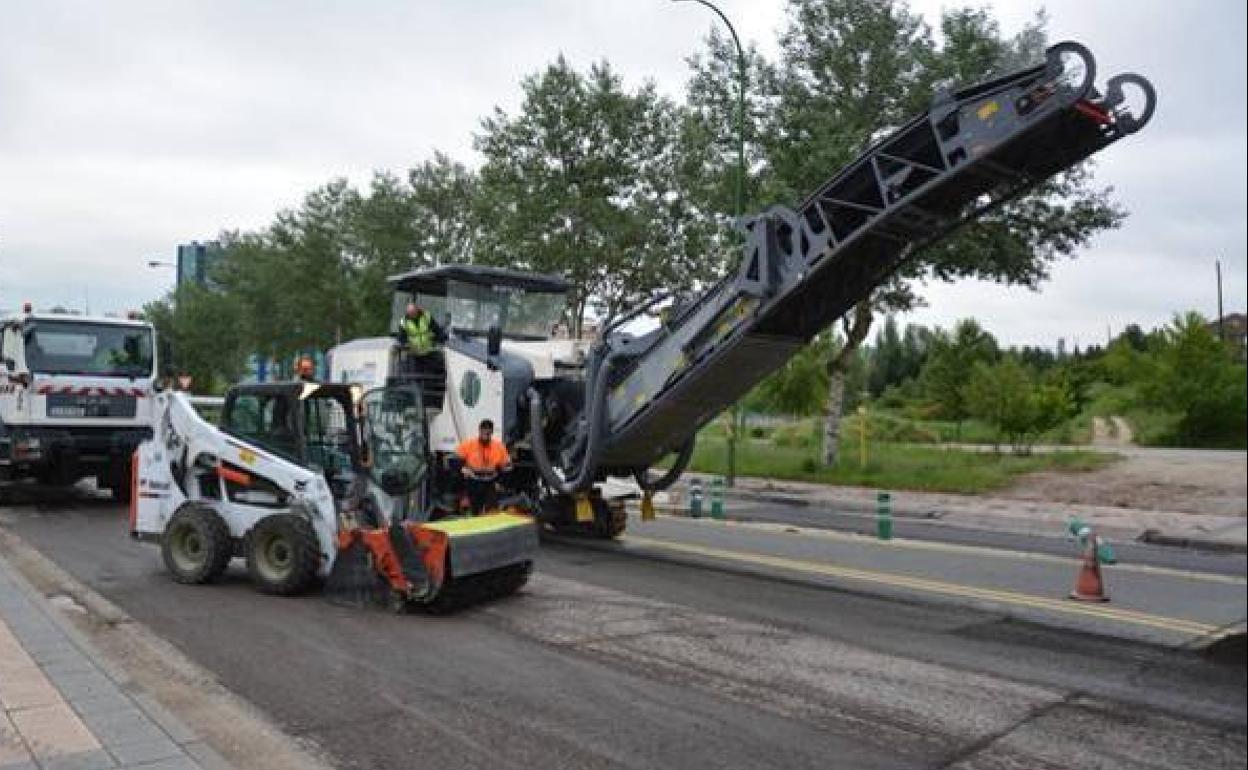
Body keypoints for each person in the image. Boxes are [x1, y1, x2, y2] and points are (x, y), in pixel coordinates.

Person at [455, 419, 512, 513]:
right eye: (483, 432)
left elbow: (507, 467)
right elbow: (455, 460)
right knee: (475, 510)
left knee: (492, 510)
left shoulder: (499, 447)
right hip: (474, 482)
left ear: (492, 432)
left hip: (491, 482)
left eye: (488, 433)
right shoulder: (469, 444)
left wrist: (500, 482)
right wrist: (463, 469)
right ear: (479, 430)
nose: (485, 436)